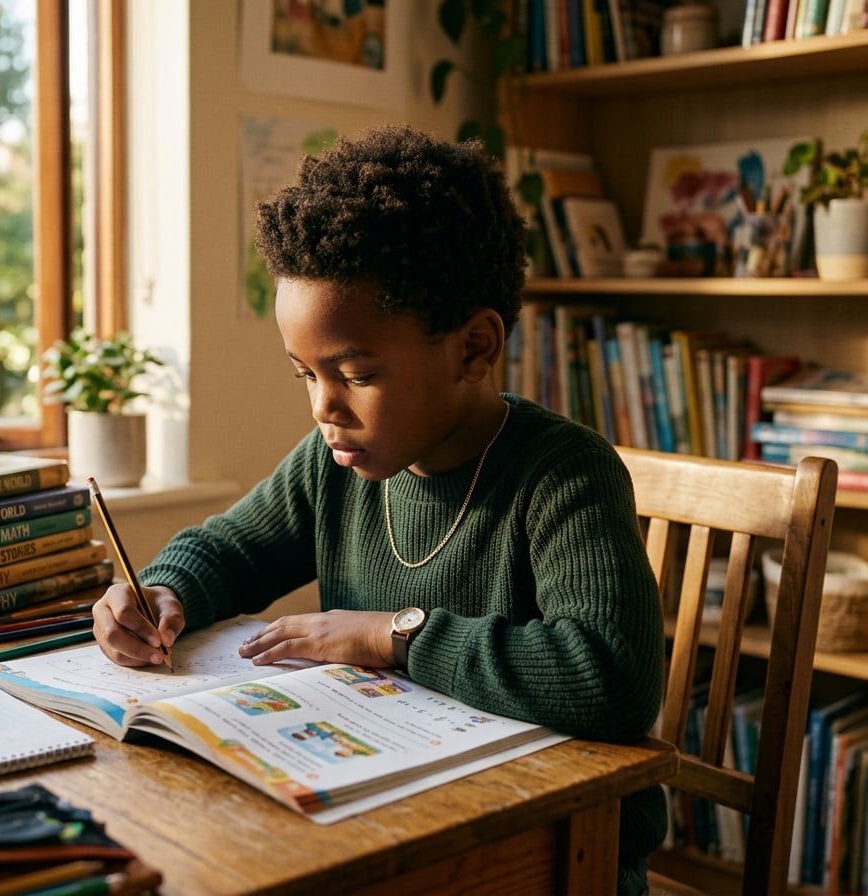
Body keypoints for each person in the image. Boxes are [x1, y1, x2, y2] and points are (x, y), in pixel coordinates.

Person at [92, 124, 666, 896]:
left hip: (553, 851)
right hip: (391, 817)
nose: (325, 407)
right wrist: (164, 593)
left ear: (474, 347)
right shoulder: (335, 466)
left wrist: (390, 635)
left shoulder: (564, 476)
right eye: (305, 374)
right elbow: (231, 548)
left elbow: (612, 678)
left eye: (356, 374)